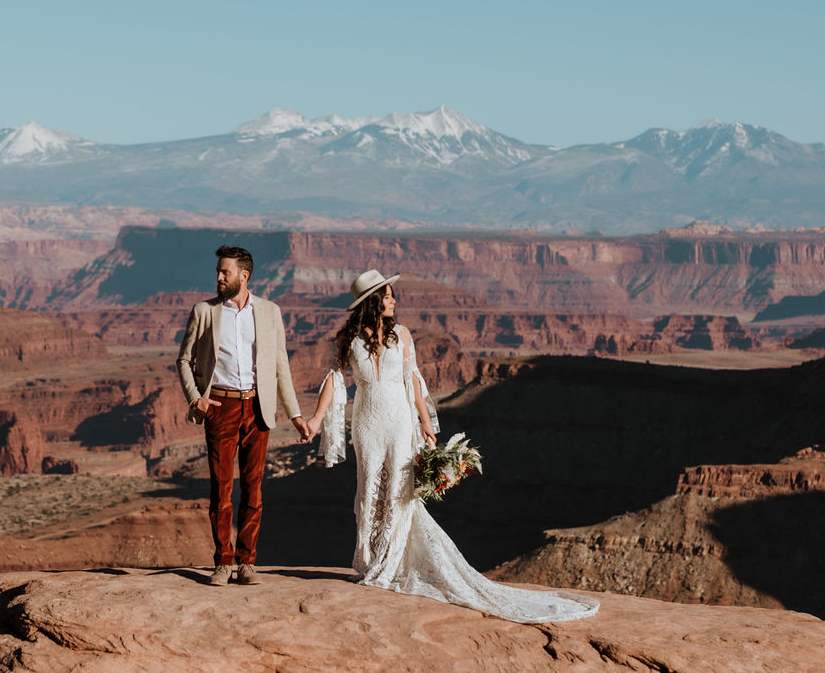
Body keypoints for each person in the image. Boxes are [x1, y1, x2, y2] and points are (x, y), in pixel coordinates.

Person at [305, 269, 599, 623]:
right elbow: (334, 381)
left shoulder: (402, 335)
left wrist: (426, 422)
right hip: (367, 422)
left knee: (400, 490)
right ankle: (370, 561)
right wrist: (318, 419)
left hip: (399, 420)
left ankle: (392, 564)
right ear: (373, 302)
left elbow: (412, 379)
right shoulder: (348, 339)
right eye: (387, 296)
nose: (394, 301)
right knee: (370, 488)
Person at [177, 245, 310, 586]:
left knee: (253, 489)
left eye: (225, 272)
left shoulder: (268, 311)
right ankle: (223, 562)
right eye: (218, 272)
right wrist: (196, 400)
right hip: (220, 407)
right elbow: (184, 360)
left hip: (258, 408)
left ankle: (247, 562)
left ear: (243, 276)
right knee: (221, 489)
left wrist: (294, 414)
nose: (218, 278)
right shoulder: (204, 311)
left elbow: (281, 365)